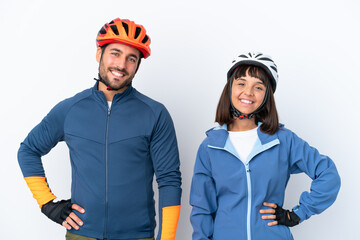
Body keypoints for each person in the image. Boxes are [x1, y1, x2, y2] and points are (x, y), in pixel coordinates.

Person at [18, 18, 182, 240]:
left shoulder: (155, 113)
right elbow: (28, 150)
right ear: (99, 54)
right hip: (82, 234)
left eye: (131, 58)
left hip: (137, 235)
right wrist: (47, 203)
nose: (121, 65)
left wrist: (167, 238)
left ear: (137, 65)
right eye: (115, 53)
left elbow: (169, 179)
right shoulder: (70, 109)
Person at [189, 52, 341, 240]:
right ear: (229, 88)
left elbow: (328, 174)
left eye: (258, 87)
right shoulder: (210, 147)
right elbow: (202, 208)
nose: (248, 92)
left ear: (266, 95)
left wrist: (297, 214)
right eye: (241, 83)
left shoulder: (283, 140)